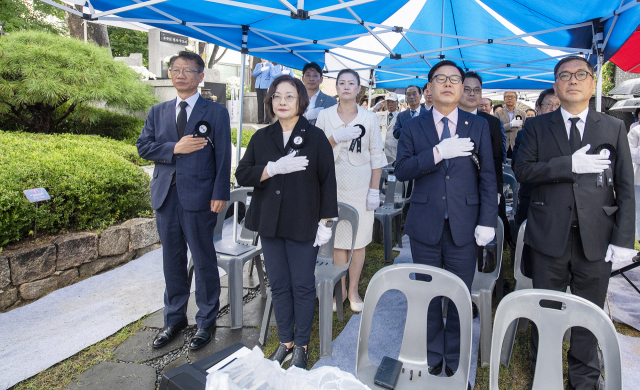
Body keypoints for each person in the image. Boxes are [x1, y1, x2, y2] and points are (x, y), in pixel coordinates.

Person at [513, 55, 636, 390]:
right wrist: (568, 165)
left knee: (588, 313)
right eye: (564, 75)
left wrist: (625, 238)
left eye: (581, 74)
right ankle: (546, 375)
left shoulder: (612, 127)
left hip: (596, 238)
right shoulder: (537, 127)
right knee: (547, 310)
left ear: (592, 82)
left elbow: (625, 185)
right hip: (548, 237)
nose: (572, 80)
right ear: (556, 84)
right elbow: (523, 171)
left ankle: (584, 379)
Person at [395, 60, 497, 384]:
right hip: (425, 224)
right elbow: (402, 170)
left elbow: (488, 177)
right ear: (429, 88)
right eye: (441, 79)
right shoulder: (413, 126)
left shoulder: (476, 124)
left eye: (455, 79)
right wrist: (438, 152)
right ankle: (430, 361)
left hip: (465, 226)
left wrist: (487, 221)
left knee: (458, 297)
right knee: (427, 297)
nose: (450, 84)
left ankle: (454, 365)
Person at [235, 75, 338, 370]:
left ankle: (302, 343)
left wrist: (326, 221)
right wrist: (271, 168)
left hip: (303, 222)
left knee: (302, 285)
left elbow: (327, 181)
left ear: (301, 101)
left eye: (289, 96)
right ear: (270, 101)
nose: (282, 102)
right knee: (279, 284)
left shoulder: (315, 137)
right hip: (270, 222)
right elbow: (243, 174)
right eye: (277, 96)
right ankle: (285, 341)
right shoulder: (262, 137)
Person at [136, 51, 231, 351]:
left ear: (200, 76)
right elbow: (144, 147)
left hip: (201, 198)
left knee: (203, 260)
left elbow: (223, 156)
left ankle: (206, 320)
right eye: (175, 69)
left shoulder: (215, 112)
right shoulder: (157, 111)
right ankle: (174, 318)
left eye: (187, 70)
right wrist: (174, 148)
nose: (180, 74)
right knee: (172, 260)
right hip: (166, 198)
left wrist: (220, 193)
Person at [316, 69, 387, 312]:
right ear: (336, 88)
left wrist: (374, 190)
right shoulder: (324, 116)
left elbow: (377, 155)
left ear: (359, 89)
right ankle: (340, 290)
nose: (346, 87)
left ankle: (354, 289)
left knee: (358, 241)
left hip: (360, 185)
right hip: (332, 184)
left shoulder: (369, 118)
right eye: (342, 83)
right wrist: (335, 138)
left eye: (351, 83)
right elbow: (315, 152)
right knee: (338, 241)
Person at [511, 88, 560, 278]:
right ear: (538, 107)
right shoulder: (526, 134)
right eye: (549, 104)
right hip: (531, 198)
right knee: (528, 249)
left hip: (559, 202)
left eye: (557, 105)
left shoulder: (568, 134)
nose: (553, 109)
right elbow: (519, 168)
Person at [458, 72, 508, 248]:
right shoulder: (448, 118)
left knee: (486, 237)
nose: (472, 94)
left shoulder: (491, 123)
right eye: (467, 89)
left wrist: (497, 192)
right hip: (456, 192)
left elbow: (496, 161)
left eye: (477, 90)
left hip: (484, 188)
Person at [495, 91, 526, 158]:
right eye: (507, 97)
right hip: (504, 145)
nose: (509, 98)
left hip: (517, 144)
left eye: (512, 97)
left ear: (516, 99)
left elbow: (525, 129)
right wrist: (511, 125)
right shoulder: (498, 113)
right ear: (504, 99)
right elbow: (496, 128)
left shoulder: (522, 113)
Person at [252, 58, 275, 124]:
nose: (263, 58)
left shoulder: (270, 65)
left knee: (267, 103)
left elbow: (272, 76)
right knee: (259, 103)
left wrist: (270, 86)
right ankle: (260, 120)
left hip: (266, 86)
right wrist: (260, 70)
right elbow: (253, 74)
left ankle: (267, 120)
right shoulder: (258, 65)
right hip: (258, 85)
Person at [381, 92, 400, 163]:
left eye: (392, 102)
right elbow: (367, 117)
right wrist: (374, 108)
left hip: (394, 153)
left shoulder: (400, 117)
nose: (390, 104)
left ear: (397, 103)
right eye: (388, 102)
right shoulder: (379, 115)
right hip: (381, 153)